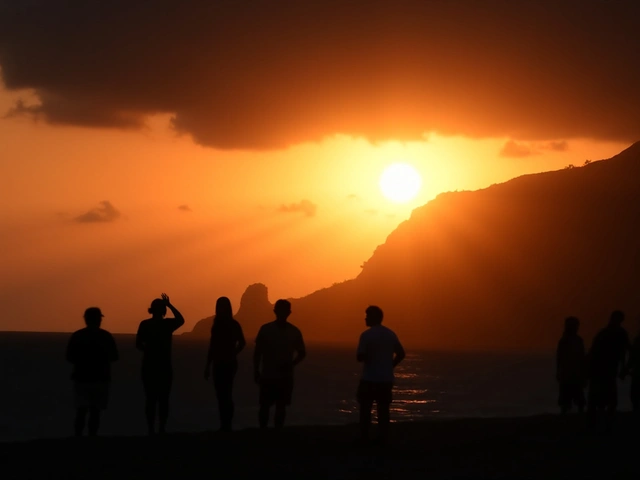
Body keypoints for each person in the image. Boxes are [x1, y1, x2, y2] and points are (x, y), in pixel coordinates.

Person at [136, 293, 184, 435]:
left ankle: (151, 429)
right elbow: (181, 319)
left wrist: (149, 351)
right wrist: (169, 305)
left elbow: (138, 344)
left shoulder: (145, 324)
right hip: (164, 367)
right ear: (163, 311)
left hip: (149, 366)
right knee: (163, 399)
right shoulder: (167, 324)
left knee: (150, 399)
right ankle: (161, 428)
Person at [65, 307, 118, 437]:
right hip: (101, 378)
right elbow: (114, 356)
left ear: (86, 319)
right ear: (98, 319)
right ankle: (92, 438)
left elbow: (69, 357)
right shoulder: (105, 336)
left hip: (81, 378)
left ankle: (78, 437)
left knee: (81, 411)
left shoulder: (78, 336)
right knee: (95, 411)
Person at [253, 299, 306, 429]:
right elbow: (302, 353)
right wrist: (292, 364)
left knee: (273, 406)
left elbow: (257, 352)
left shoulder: (266, 329)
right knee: (273, 406)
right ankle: (272, 432)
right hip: (274, 375)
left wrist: (256, 370)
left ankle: (268, 432)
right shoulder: (293, 331)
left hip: (275, 375)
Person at [356, 305, 405, 445]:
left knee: (365, 409)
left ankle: (364, 437)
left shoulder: (366, 335)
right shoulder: (390, 334)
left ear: (373, 317)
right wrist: (390, 366)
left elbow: (360, 356)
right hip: (385, 379)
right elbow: (401, 353)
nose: (365, 318)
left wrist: (369, 358)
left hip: (369, 378)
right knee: (383, 410)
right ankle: (383, 438)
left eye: (367, 315)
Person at [204, 296, 246, 432]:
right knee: (221, 394)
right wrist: (208, 365)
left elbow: (242, 342)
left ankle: (227, 424)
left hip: (228, 363)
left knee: (226, 393)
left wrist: (233, 353)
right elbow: (213, 345)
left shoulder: (233, 324)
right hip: (219, 362)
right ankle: (225, 423)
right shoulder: (216, 325)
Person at [586, 310, 629, 431]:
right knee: (600, 400)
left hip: (606, 370)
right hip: (602, 370)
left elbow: (623, 352)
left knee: (604, 400)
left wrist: (623, 367)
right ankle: (599, 425)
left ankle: (600, 425)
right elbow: (624, 352)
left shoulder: (610, 333)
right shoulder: (613, 333)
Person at [555, 316, 586, 414]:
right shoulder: (568, 340)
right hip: (569, 373)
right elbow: (560, 357)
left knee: (573, 398)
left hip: (572, 373)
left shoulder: (570, 340)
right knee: (568, 398)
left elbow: (559, 358)